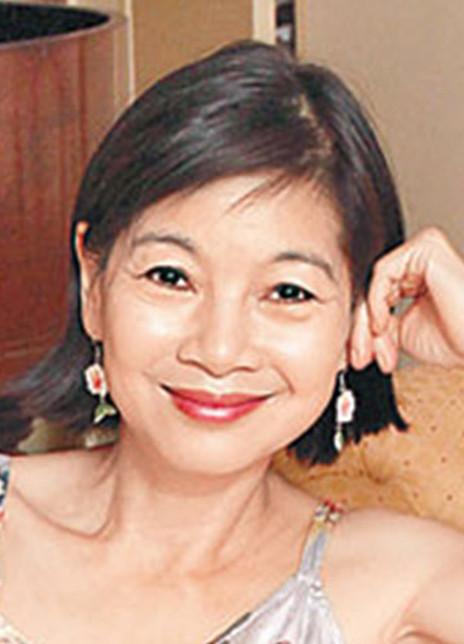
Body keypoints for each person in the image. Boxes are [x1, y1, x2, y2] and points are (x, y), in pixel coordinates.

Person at [0, 40, 463, 644]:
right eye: (171, 277)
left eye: (288, 292)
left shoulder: (400, 579)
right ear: (94, 284)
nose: (219, 351)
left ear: (357, 315)